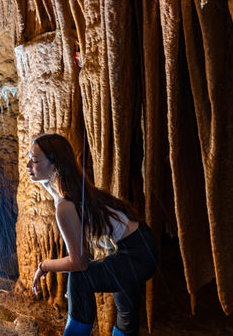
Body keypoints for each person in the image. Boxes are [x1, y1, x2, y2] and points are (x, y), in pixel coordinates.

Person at [27, 134, 158, 336]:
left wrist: (44, 266)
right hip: (141, 243)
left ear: (55, 165)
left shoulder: (65, 205)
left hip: (136, 253)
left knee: (80, 279)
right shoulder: (73, 191)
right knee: (125, 305)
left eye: (35, 160)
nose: (28, 165)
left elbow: (79, 262)